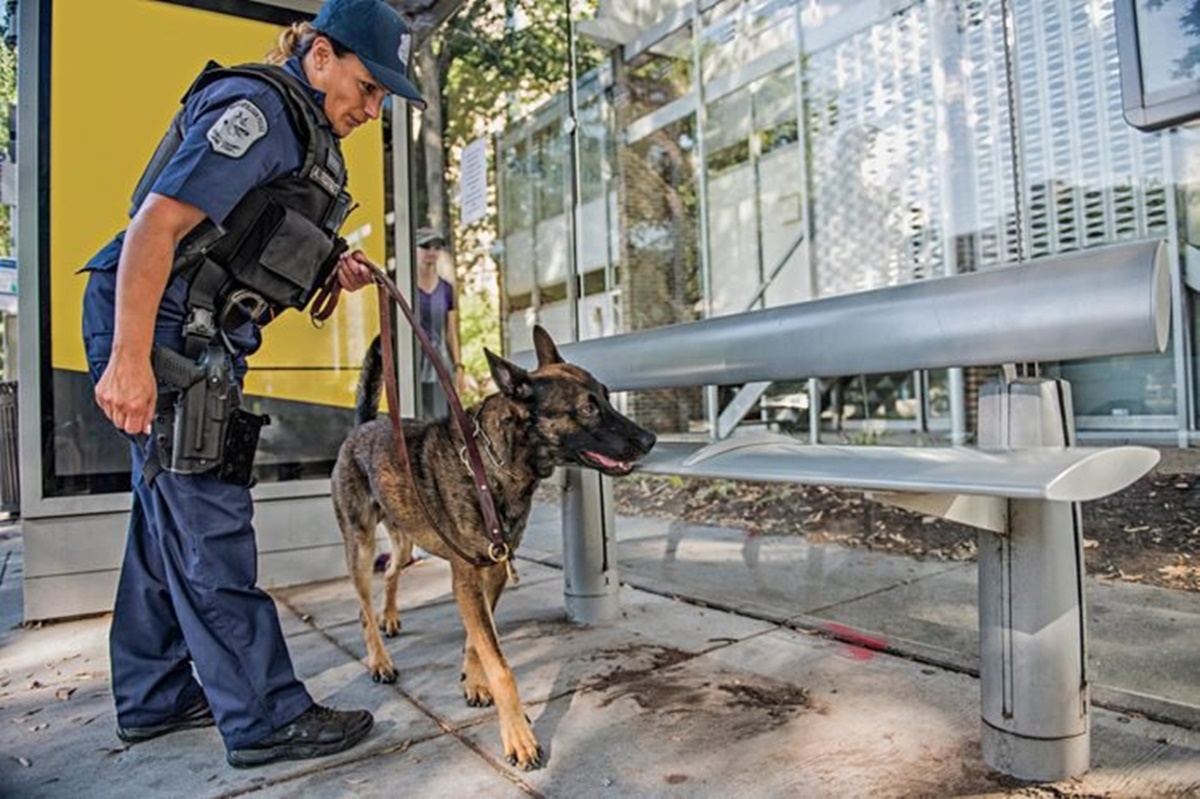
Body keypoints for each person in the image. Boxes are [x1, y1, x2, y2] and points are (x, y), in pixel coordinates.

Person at [80, 0, 426, 768]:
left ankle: (155, 693)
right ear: (322, 54)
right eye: (369, 88)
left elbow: (246, 234)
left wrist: (325, 264)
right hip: (159, 322)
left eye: (382, 99)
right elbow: (154, 228)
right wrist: (129, 358)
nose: (372, 109)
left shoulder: (302, 126)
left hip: (185, 326)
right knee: (208, 516)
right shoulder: (261, 110)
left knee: (164, 515)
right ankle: (266, 714)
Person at [414, 227, 464, 418]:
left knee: (445, 417)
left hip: (441, 364)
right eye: (426, 246)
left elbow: (451, 331)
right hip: (414, 364)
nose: (432, 252)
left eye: (436, 247)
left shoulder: (446, 289)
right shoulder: (406, 288)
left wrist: (459, 366)